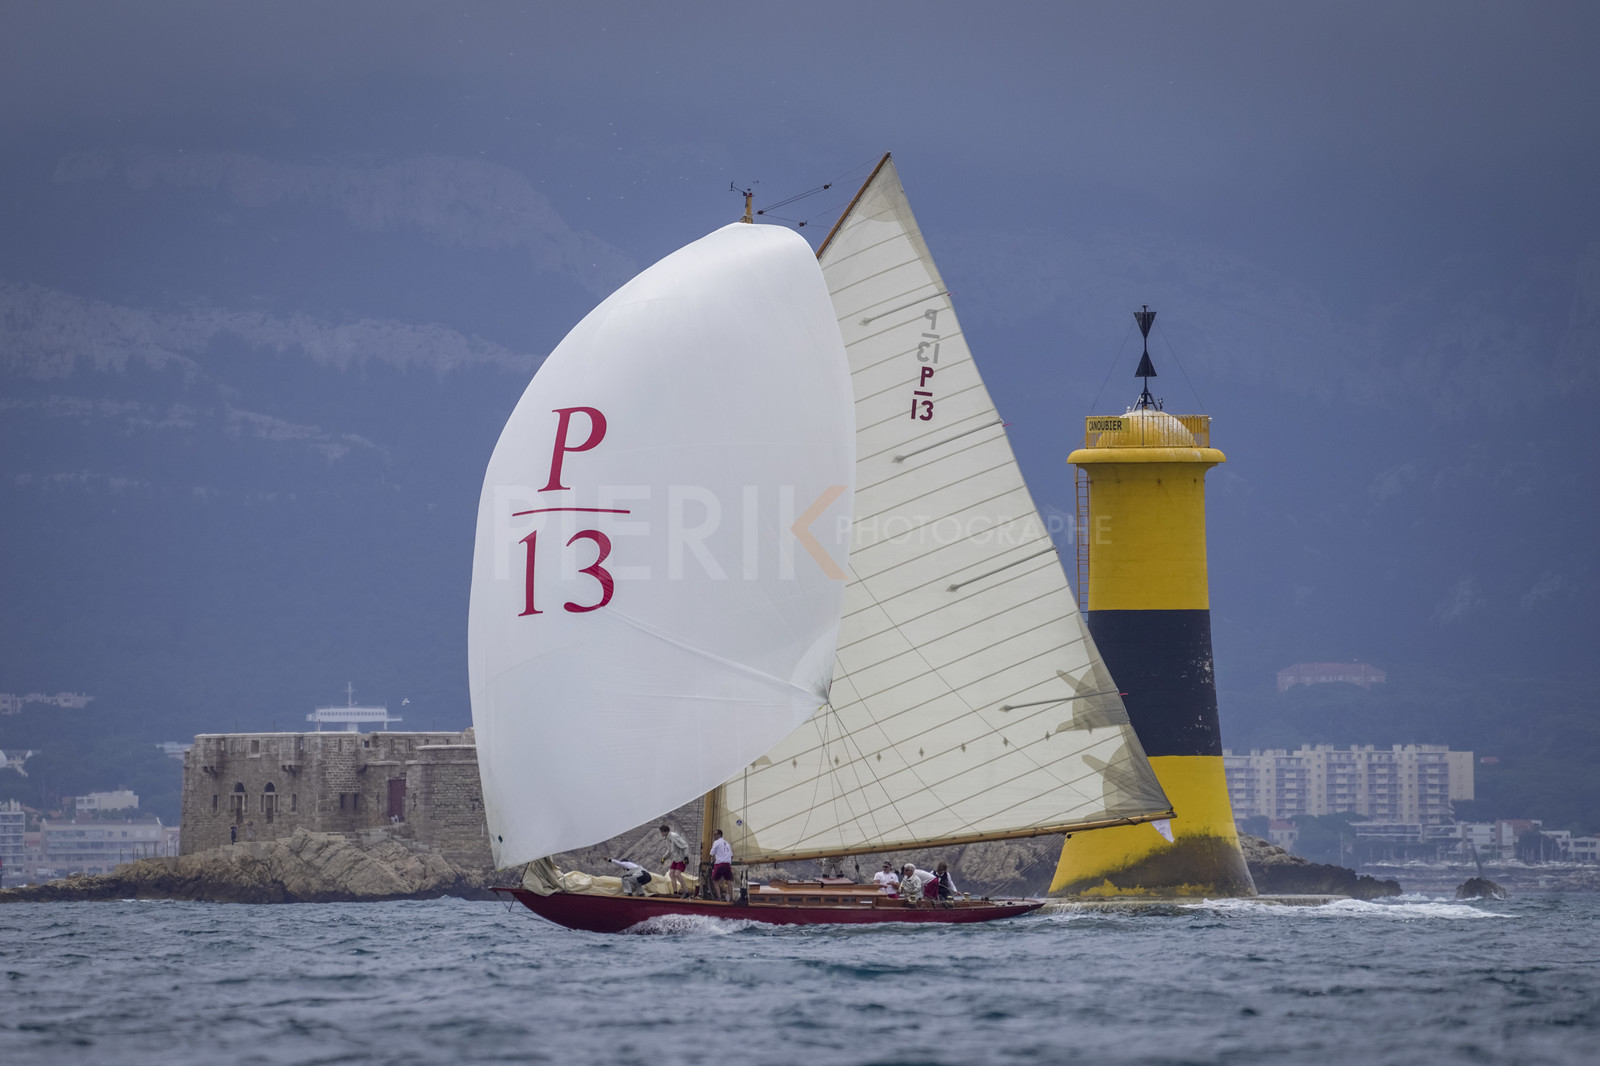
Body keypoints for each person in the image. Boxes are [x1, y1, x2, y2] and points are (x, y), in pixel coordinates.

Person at [659, 823, 691, 897]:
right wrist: (664, 857)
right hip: (675, 858)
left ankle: (686, 892)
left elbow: (685, 845)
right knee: (671, 874)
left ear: (665, 831)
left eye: (662, 832)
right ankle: (675, 892)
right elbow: (670, 850)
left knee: (677, 874)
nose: (661, 833)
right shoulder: (667, 838)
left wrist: (686, 857)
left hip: (681, 858)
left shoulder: (674, 836)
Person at [709, 828, 734, 902]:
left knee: (714, 881)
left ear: (720, 835)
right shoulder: (727, 843)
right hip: (727, 864)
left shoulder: (716, 842)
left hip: (719, 864)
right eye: (714, 835)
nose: (714, 836)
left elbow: (711, 853)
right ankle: (731, 898)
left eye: (715, 834)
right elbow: (731, 855)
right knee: (729, 881)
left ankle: (719, 897)